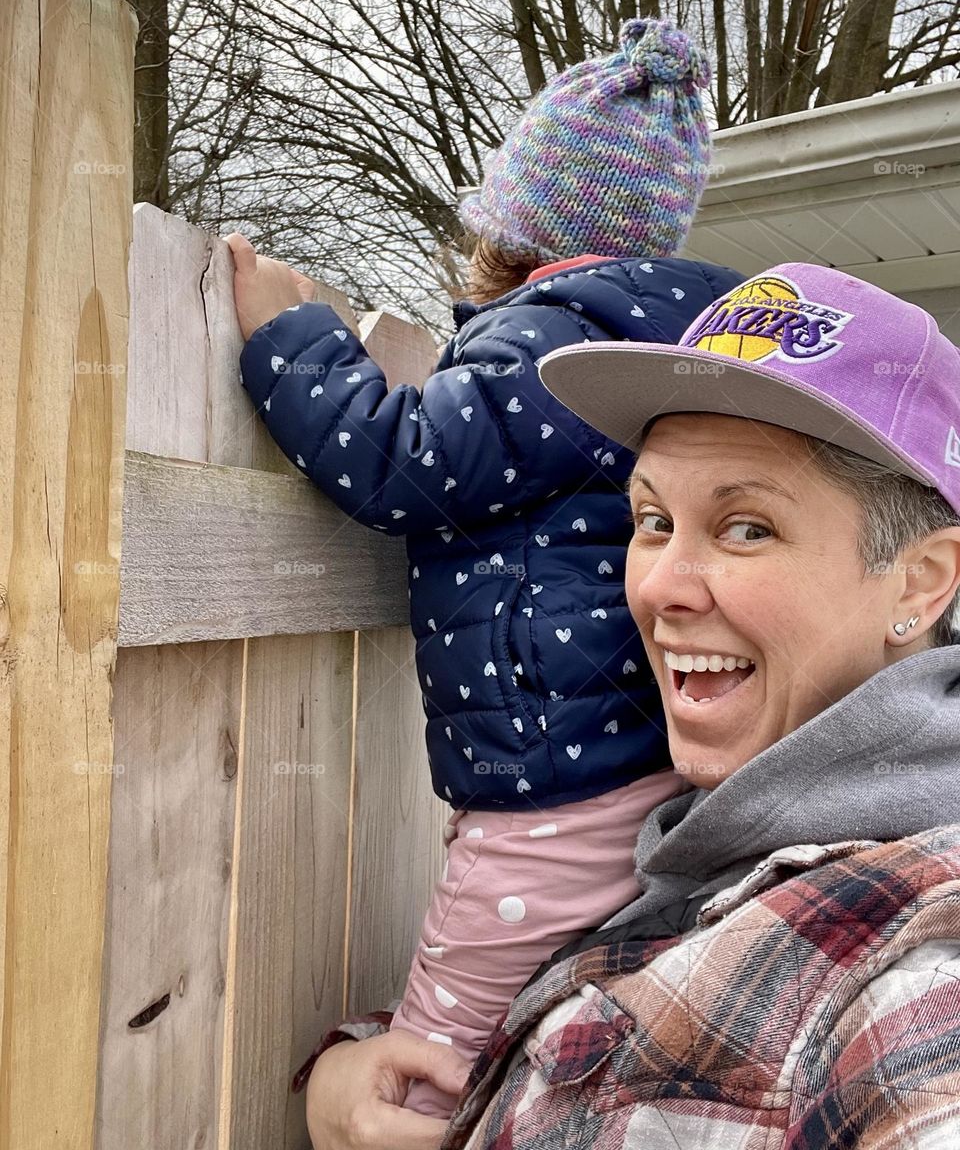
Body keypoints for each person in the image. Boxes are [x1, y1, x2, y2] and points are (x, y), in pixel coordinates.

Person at [303, 263, 960, 1149]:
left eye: (747, 527)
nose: (658, 587)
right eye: (650, 521)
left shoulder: (915, 974)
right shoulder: (707, 831)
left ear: (919, 581)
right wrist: (350, 1078)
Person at [227, 19, 745, 1118]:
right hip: (615, 760)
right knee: (556, 1021)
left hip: (550, 784)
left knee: (443, 1053)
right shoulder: (661, 348)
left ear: (518, 231)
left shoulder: (553, 342)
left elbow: (401, 460)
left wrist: (294, 338)